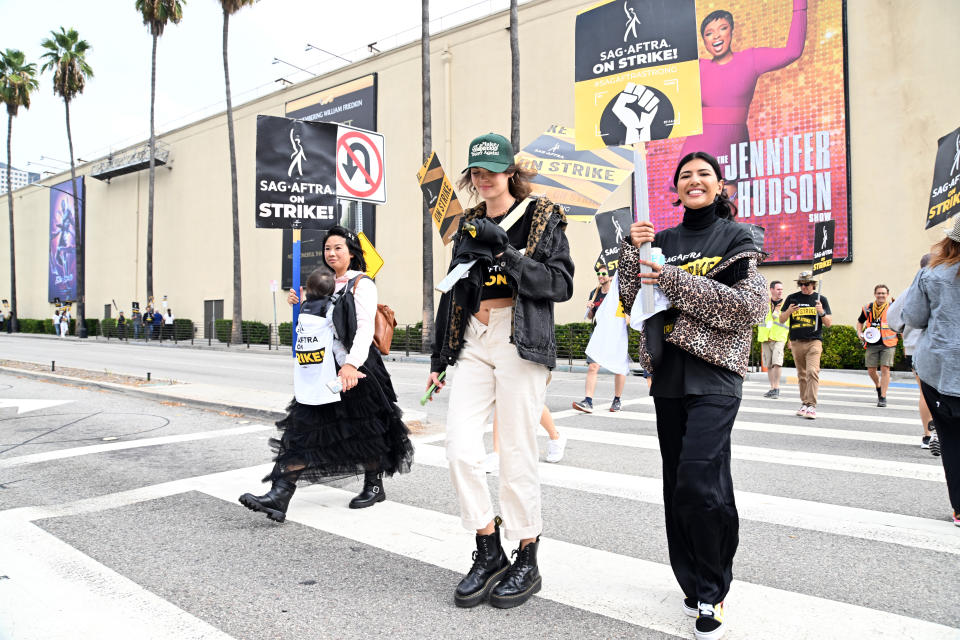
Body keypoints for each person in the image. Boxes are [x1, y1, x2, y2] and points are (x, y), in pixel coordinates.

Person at [619, 151, 767, 640]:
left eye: (704, 174)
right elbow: (631, 301)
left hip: (717, 377)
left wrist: (673, 279)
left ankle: (713, 587)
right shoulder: (661, 240)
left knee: (699, 484)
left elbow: (746, 308)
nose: (694, 181)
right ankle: (692, 580)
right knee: (677, 486)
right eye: (685, 176)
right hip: (668, 381)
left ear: (719, 184)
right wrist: (630, 252)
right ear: (676, 189)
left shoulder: (738, 238)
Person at [427, 132, 574, 609]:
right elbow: (453, 289)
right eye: (476, 169)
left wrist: (506, 252)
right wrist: (439, 357)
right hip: (473, 337)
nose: (483, 176)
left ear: (512, 170)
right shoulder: (468, 223)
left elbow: (560, 283)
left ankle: (527, 554)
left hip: (518, 336)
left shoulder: (541, 216)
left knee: (515, 451)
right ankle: (488, 546)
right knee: (458, 447)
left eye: (493, 167)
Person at [239, 228, 414, 522]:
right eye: (327, 249)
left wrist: (351, 365)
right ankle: (280, 494)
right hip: (323, 369)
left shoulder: (362, 284)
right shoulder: (323, 283)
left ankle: (374, 485)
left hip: (355, 368)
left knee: (365, 428)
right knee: (302, 429)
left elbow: (364, 330)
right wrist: (303, 304)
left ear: (351, 252)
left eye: (338, 248)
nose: (331, 253)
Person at [676, 0, 807, 194]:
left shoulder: (750, 59)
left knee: (725, 213)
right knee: (698, 208)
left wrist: (800, 5)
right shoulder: (697, 67)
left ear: (731, 31)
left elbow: (793, 51)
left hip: (733, 143)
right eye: (708, 33)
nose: (716, 36)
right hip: (699, 144)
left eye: (722, 28)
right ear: (703, 41)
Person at [899, 215, 960, 527]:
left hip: (939, 370)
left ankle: (959, 509)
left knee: (950, 440)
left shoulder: (931, 273)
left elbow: (913, 316)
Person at [888, 254, 938, 452]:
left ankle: (928, 435)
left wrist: (905, 329)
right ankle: (940, 432)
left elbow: (892, 318)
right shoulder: (944, 286)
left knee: (925, 393)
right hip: (938, 347)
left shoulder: (910, 291)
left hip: (915, 348)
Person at [572, 266, 627, 413]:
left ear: (610, 276)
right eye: (598, 273)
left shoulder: (619, 293)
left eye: (604, 273)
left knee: (619, 367)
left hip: (616, 334)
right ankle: (588, 401)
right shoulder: (595, 292)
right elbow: (590, 317)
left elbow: (626, 314)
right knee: (593, 366)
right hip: (599, 334)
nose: (600, 276)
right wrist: (590, 308)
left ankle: (617, 400)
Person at [780, 271, 832, 419]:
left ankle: (811, 406)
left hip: (814, 341)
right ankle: (804, 403)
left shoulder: (820, 299)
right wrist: (789, 311)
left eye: (807, 284)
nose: (804, 287)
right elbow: (781, 320)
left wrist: (821, 312)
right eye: (801, 284)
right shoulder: (792, 298)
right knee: (802, 374)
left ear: (813, 284)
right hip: (796, 342)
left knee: (812, 372)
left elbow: (828, 323)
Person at [856, 285, 898, 407]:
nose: (881, 295)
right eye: (879, 293)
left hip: (888, 343)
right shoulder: (868, 308)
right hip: (872, 342)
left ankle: (883, 397)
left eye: (883, 293)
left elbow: (902, 318)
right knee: (871, 370)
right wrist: (859, 332)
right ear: (875, 294)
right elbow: (860, 321)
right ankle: (878, 386)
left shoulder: (892, 307)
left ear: (887, 294)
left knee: (885, 369)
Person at [757, 280, 788, 398]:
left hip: (779, 336)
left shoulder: (786, 304)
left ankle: (776, 387)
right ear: (771, 290)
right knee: (769, 365)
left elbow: (792, 322)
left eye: (781, 289)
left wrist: (790, 340)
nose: (780, 292)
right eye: (778, 289)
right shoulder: (764, 303)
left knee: (777, 363)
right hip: (765, 337)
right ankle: (772, 388)